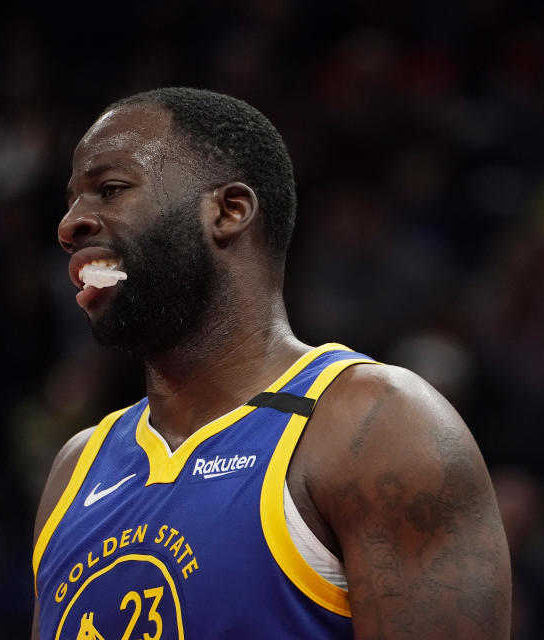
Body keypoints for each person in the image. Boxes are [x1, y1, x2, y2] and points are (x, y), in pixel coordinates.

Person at [31, 87, 511, 640]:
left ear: (229, 211)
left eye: (109, 189)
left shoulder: (374, 428)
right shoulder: (76, 470)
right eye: (70, 201)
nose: (69, 226)